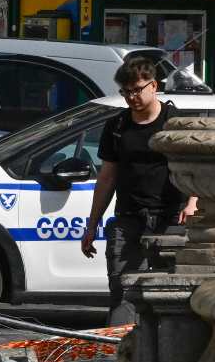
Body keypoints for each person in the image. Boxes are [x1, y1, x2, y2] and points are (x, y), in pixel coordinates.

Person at [80, 56, 198, 324]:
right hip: (129, 219)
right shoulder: (117, 126)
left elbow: (194, 166)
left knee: (173, 295)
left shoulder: (175, 123)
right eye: (125, 92)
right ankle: (122, 356)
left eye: (137, 90)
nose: (131, 97)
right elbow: (107, 177)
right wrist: (92, 224)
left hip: (171, 218)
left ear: (153, 85)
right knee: (124, 292)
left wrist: (192, 203)